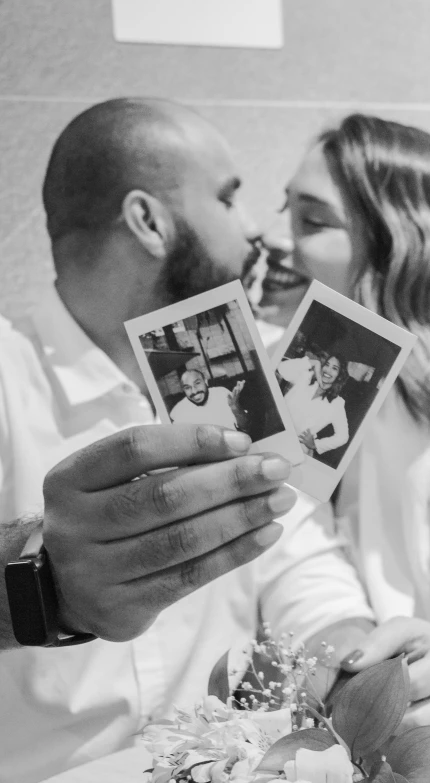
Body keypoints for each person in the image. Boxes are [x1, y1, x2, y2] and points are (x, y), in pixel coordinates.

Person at [0, 98, 374, 782]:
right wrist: (37, 585)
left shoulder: (261, 364)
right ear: (148, 221)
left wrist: (347, 654)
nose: (256, 231)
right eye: (231, 199)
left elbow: (299, 559)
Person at [258, 113, 430, 753]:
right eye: (284, 212)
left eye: (313, 222)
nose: (273, 241)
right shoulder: (298, 378)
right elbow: (294, 547)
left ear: (399, 243)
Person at [277, 353, 349, 456]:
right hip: (274, 426)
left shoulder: (336, 403)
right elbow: (282, 368)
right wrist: (313, 362)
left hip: (295, 446)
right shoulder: (307, 377)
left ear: (339, 376)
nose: (327, 370)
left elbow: (343, 437)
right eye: (326, 365)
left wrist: (316, 445)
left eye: (334, 368)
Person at [170, 369, 247, 430]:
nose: (194, 391)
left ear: (205, 381)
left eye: (197, 383)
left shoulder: (222, 393)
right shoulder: (179, 411)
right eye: (187, 387)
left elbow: (246, 427)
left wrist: (234, 407)